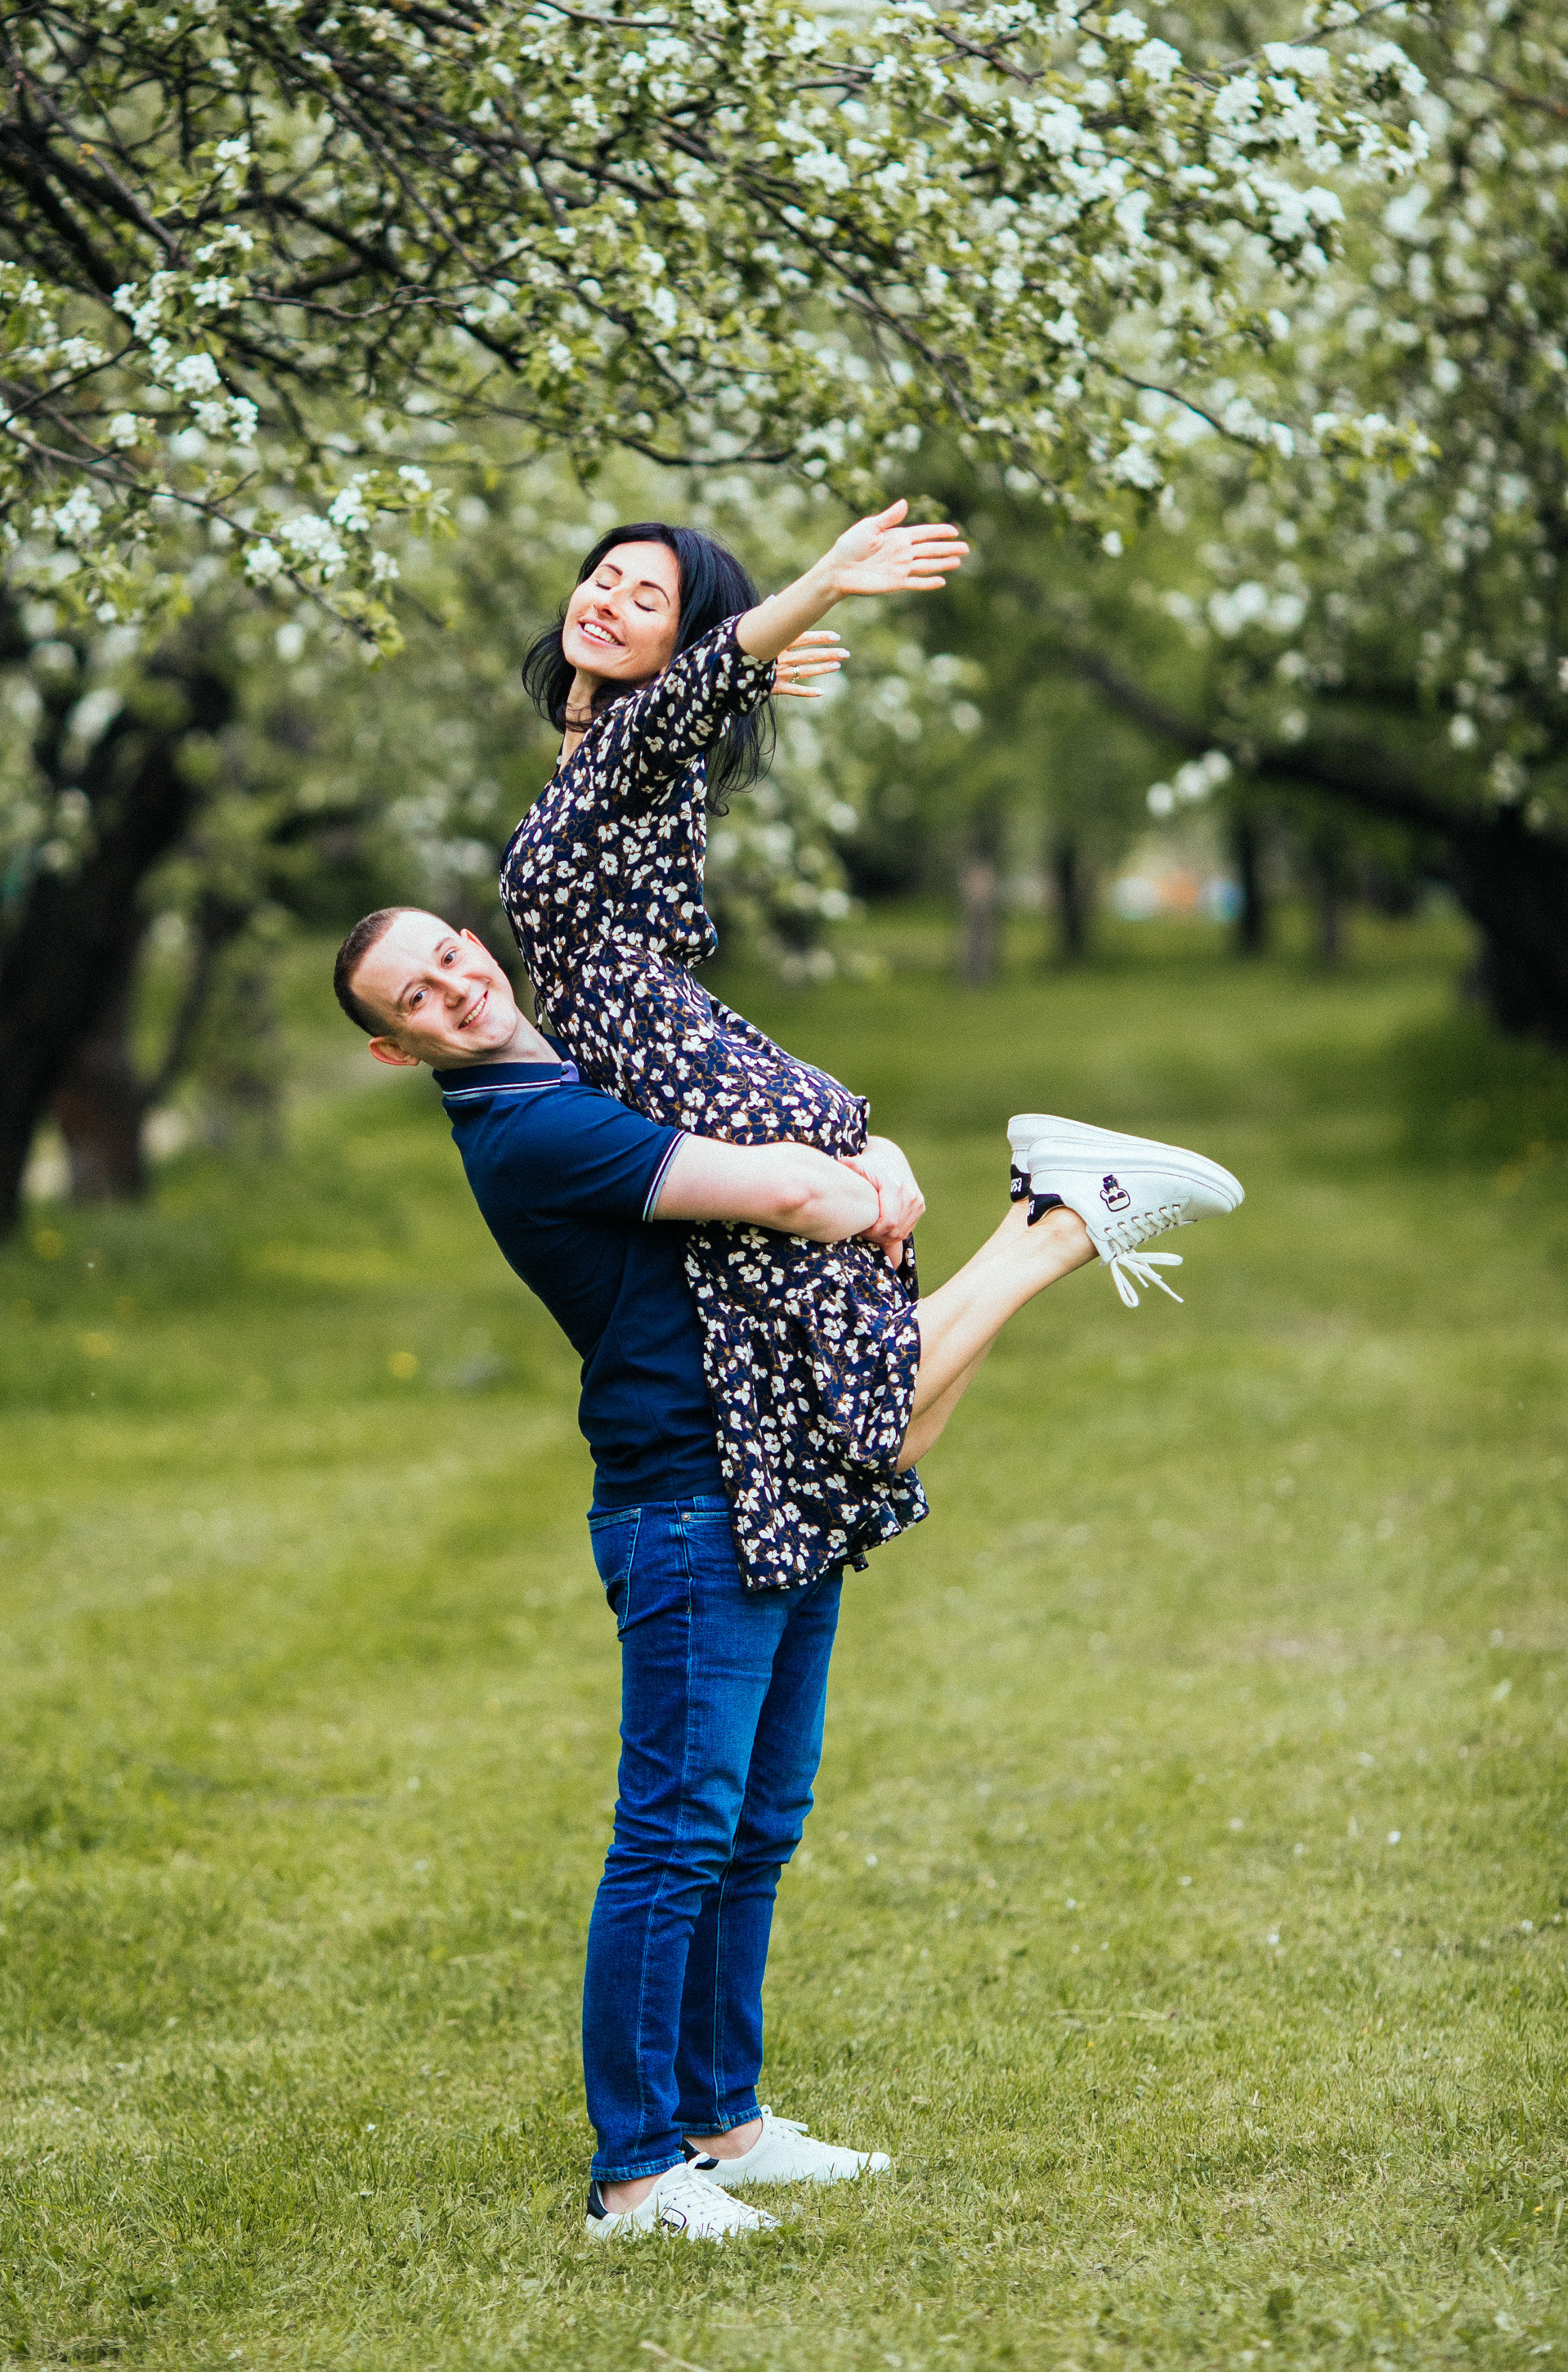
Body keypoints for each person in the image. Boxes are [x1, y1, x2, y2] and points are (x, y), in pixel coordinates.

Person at [332, 907, 1236, 2242]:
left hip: (763, 1473)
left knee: (757, 1823)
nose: (455, 989)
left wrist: (871, 1153)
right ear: (395, 1051)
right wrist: (866, 1174)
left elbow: (757, 1111)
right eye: (416, 997)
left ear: (477, 939)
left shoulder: (582, 1059)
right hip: (688, 1501)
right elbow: (794, 1195)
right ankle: (635, 2177)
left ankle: (725, 2126)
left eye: (450, 957)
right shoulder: (533, 1129)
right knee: (674, 1837)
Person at [500, 502, 1243, 1596]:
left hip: (704, 1094)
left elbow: (696, 690)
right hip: (704, 1083)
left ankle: (1065, 1222)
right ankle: (1052, 1209)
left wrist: (815, 592)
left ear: (680, 646)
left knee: (866, 1413)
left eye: (647, 599)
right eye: (603, 577)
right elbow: (689, 698)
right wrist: (737, 677)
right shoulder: (604, 760)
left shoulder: (634, 751)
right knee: (862, 1437)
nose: (608, 602)